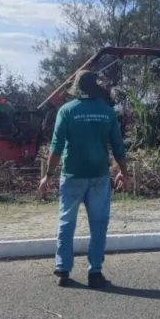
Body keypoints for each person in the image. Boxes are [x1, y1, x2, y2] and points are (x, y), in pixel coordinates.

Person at [38, 70, 128, 289]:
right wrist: (123, 173)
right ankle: (95, 273)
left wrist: (47, 175)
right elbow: (118, 147)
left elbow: (56, 147)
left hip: (72, 175)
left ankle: (63, 270)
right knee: (99, 224)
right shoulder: (107, 112)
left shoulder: (66, 111)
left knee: (67, 222)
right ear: (95, 88)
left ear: (76, 89)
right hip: (99, 176)